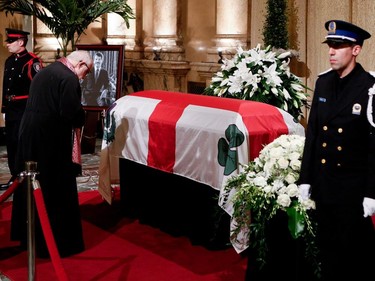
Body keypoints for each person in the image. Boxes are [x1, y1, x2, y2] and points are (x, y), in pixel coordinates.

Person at [298, 20, 375, 281]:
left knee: (352, 255)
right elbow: (313, 135)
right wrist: (305, 179)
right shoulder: (323, 82)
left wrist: (371, 193)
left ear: (356, 50)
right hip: (324, 183)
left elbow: (374, 147)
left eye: (339, 46)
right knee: (327, 250)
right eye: (330, 45)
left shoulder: (370, 87)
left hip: (352, 190)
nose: (331, 51)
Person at [10, 50, 93, 258]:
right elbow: (70, 113)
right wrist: (83, 116)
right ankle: (57, 244)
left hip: (29, 135)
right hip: (50, 141)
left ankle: (28, 238)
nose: (84, 77)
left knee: (31, 185)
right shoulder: (68, 78)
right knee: (54, 190)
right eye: (87, 72)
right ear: (80, 64)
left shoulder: (47, 71)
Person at [0, 28, 43, 190]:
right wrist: (4, 108)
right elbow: (6, 87)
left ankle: (23, 175)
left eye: (10, 42)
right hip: (11, 109)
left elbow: (37, 88)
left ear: (20, 42)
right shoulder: (9, 61)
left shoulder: (32, 61)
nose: (7, 45)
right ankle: (15, 175)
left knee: (21, 143)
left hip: (25, 109)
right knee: (11, 142)